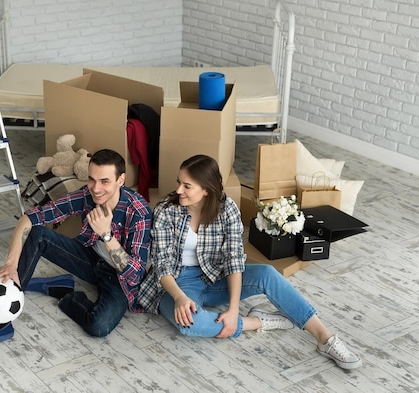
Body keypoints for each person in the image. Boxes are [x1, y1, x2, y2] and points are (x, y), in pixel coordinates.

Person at [137, 154, 362, 370]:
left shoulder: (227, 209)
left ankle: (325, 338)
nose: (178, 190)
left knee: (267, 274)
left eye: (187, 186)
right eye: (179, 182)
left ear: (206, 190)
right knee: (188, 324)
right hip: (177, 282)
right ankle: (256, 322)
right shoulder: (167, 210)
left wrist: (233, 309)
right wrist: (179, 297)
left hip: (217, 276)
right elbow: (162, 264)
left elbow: (234, 261)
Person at [0, 149, 152, 351]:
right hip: (89, 260)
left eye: (104, 181)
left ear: (120, 180)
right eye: (91, 179)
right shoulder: (87, 195)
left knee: (98, 326)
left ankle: (64, 293)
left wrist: (106, 235)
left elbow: (135, 274)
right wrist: (11, 264)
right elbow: (30, 218)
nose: (96, 188)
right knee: (38, 234)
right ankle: (0, 325)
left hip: (119, 278)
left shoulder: (138, 211)